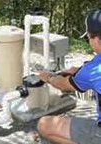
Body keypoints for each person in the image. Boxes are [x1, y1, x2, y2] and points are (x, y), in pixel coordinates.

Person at [37, 9, 101, 144]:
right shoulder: (93, 69)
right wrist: (77, 70)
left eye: (88, 37)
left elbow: (63, 84)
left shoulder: (94, 70)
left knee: (43, 125)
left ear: (95, 39)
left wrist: (48, 77)